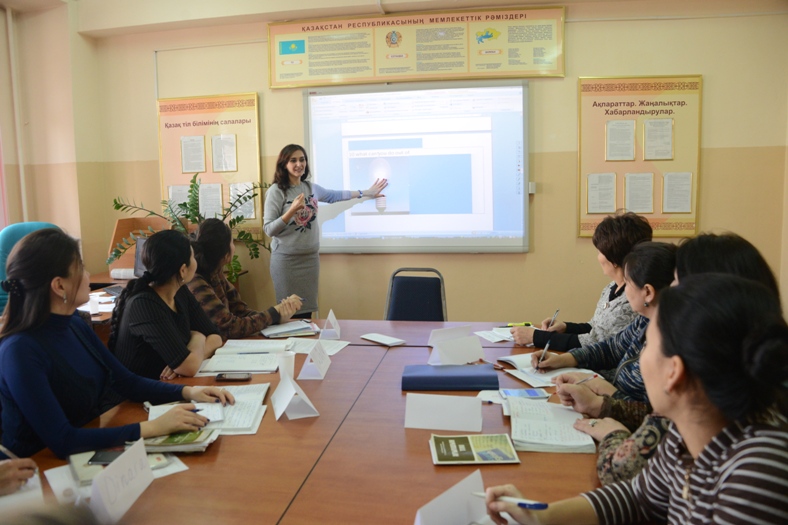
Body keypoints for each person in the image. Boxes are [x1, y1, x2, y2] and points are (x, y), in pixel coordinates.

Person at [485, 274, 788, 524]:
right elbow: (637, 498)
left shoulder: (756, 472)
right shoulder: (683, 433)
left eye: (648, 346)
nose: (638, 360)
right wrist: (544, 517)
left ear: (674, 372)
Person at [0, 229, 233, 459]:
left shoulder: (73, 324)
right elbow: (63, 440)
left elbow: (125, 380)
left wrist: (189, 392)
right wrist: (153, 427)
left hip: (90, 444)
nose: (88, 275)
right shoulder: (20, 350)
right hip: (38, 466)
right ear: (59, 286)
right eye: (81, 268)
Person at [574, 232, 782, 485]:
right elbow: (644, 490)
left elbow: (623, 469)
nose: (670, 291)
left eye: (677, 282)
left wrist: (609, 417)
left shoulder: (751, 451)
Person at [532, 242, 677, 404]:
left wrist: (601, 390)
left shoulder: (671, 342)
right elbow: (611, 349)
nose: (624, 290)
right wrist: (563, 359)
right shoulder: (644, 321)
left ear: (648, 292)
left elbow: (648, 411)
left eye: (628, 282)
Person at [263, 144, 387, 318]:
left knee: (306, 313)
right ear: (284, 164)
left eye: (302, 160)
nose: (299, 164)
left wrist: (366, 193)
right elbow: (269, 229)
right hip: (286, 261)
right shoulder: (276, 191)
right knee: (289, 314)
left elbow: (334, 195)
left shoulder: (310, 188)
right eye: (293, 160)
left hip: (310, 260)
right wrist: (291, 211)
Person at [511, 211, 652, 350]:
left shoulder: (633, 298)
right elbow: (595, 327)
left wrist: (536, 337)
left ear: (614, 257)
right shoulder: (611, 288)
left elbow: (595, 342)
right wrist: (566, 327)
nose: (598, 257)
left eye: (600, 252)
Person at [109, 229, 223, 381]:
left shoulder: (180, 291)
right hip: (137, 392)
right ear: (183, 270)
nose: (196, 261)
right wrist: (198, 337)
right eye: (193, 257)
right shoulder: (144, 304)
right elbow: (189, 366)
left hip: (169, 384)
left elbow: (215, 337)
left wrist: (193, 356)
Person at [188, 219, 302, 340]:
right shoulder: (196, 282)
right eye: (232, 242)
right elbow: (230, 327)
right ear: (224, 253)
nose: (234, 248)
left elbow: (240, 311)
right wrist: (273, 313)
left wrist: (278, 315)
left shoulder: (215, 272)